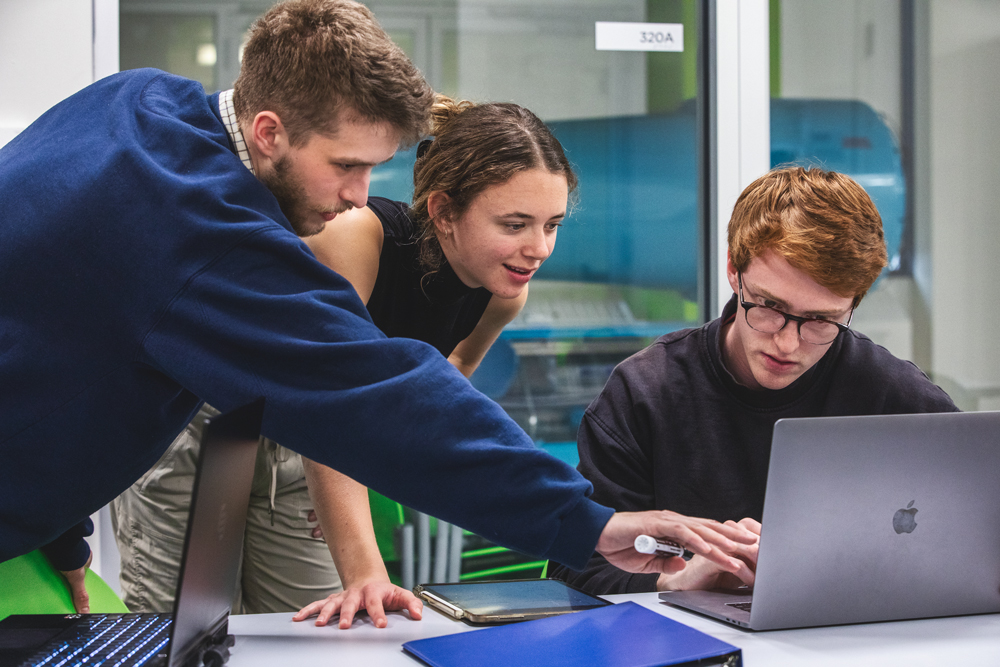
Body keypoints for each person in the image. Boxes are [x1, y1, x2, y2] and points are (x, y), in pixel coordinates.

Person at [0, 0, 757, 618]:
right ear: (269, 133)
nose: (360, 195)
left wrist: (61, 535)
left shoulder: (135, 100)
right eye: (347, 166)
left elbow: (55, 336)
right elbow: (371, 395)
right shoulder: (200, 236)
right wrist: (587, 520)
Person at [110, 96, 573, 626]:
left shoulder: (505, 291)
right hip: (210, 417)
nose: (538, 249)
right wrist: (365, 566)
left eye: (552, 224)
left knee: (307, 629)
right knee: (189, 629)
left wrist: (363, 484)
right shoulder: (357, 237)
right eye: (515, 225)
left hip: (307, 439)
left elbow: (443, 383)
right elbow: (325, 392)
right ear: (445, 212)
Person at [551, 166, 958, 595]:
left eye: (821, 320)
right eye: (768, 306)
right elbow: (573, 575)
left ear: (853, 304)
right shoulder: (643, 393)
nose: (787, 343)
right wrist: (680, 581)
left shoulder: (896, 395)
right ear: (733, 269)